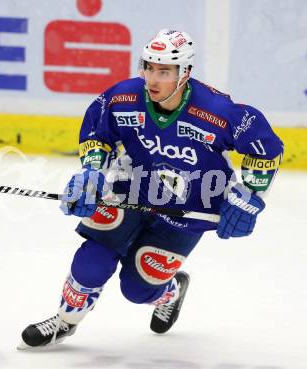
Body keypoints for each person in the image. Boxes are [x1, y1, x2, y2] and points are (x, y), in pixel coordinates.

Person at [17, 29, 284, 349]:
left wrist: (249, 195)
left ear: (184, 73)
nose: (153, 79)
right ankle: (64, 321)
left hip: (189, 210)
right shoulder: (123, 98)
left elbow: (264, 147)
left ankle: (171, 292)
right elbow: (97, 134)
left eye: (164, 71)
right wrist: (92, 173)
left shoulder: (216, 111)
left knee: (137, 287)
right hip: (128, 191)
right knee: (93, 260)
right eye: (149, 67)